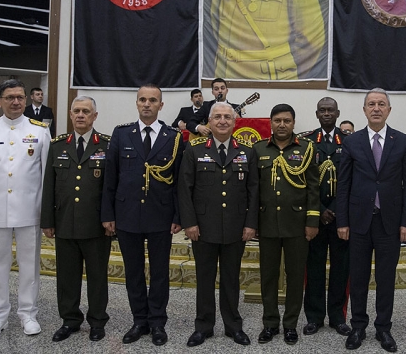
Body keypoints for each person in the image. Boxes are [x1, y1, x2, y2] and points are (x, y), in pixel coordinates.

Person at [100, 84, 184, 346]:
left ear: (161, 105)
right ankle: (139, 320)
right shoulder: (122, 133)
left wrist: (178, 216)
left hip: (161, 214)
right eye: (142, 100)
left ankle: (157, 322)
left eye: (153, 100)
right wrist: (108, 214)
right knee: (133, 271)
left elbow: (180, 180)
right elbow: (110, 178)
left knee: (159, 272)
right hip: (127, 214)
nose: (147, 104)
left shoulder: (173, 137)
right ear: (137, 103)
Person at [0, 79, 51, 339]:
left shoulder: (39, 130)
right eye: (10, 97)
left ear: (26, 100)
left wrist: (46, 213)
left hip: (30, 210)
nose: (16, 102)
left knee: (29, 265)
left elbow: (47, 176)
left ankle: (28, 314)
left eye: (20, 97)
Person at [336, 88, 406, 353]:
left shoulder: (403, 142)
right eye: (371, 104)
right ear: (364, 110)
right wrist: (342, 222)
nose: (376, 108)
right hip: (358, 223)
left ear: (389, 110)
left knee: (385, 279)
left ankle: (384, 328)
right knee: (357, 277)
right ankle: (358, 326)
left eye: (382, 104)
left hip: (390, 223)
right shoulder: (352, 142)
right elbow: (344, 185)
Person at [178, 102, 258, 348]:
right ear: (209, 122)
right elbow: (185, 189)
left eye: (227, 117)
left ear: (235, 122)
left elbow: (254, 190)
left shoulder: (247, 151)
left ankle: (233, 326)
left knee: (231, 278)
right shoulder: (193, 149)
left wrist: (250, 224)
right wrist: (189, 223)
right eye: (218, 117)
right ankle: (203, 326)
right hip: (203, 227)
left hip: (236, 227)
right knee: (204, 277)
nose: (223, 121)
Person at [40, 96, 112, 342]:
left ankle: (97, 321)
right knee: (67, 277)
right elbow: (49, 185)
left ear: (94, 116)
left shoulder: (106, 145)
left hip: (96, 225)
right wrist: (47, 220)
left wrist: (110, 219)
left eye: (86, 111)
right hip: (65, 223)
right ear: (70, 115)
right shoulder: (58, 145)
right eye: (76, 111)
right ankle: (70, 320)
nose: (81, 115)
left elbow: (111, 188)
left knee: (97, 276)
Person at [253, 103, 320, 345]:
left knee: (294, 277)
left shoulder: (307, 149)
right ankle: (270, 323)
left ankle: (290, 324)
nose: (282, 125)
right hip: (267, 224)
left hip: (297, 225)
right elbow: (253, 190)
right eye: (278, 120)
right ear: (271, 122)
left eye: (287, 121)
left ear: (293, 123)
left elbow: (314, 188)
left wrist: (312, 221)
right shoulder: (259, 149)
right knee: (268, 276)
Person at [301, 97, 351, 337]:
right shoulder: (307, 141)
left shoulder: (350, 142)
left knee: (342, 268)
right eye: (323, 110)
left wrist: (339, 212)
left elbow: (352, 182)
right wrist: (320, 210)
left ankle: (338, 316)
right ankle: (314, 317)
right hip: (316, 216)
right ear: (317, 113)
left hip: (341, 218)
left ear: (338, 113)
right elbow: (302, 182)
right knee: (314, 268)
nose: (327, 113)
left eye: (331, 110)